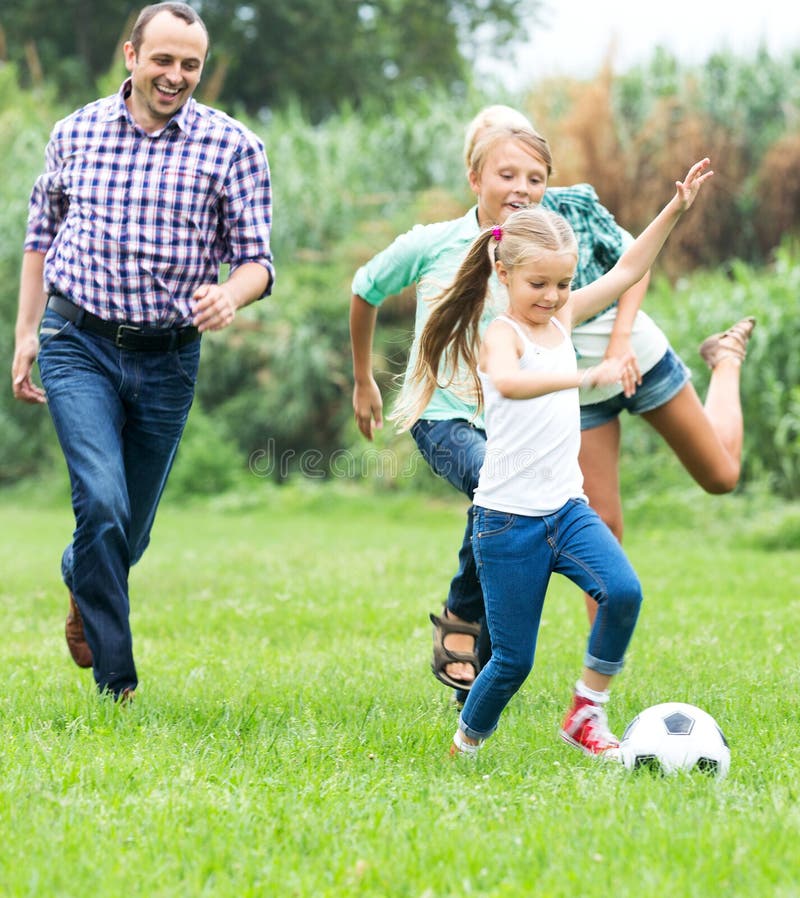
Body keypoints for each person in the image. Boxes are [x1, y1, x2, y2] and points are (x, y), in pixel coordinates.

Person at [393, 159, 714, 756]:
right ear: (505, 273)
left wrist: (675, 210)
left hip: (566, 509)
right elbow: (509, 385)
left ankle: (585, 714)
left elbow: (627, 270)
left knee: (624, 592)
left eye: (563, 284)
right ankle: (465, 745)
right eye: (538, 284)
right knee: (513, 661)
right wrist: (586, 373)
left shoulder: (563, 317)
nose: (553, 296)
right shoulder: (501, 334)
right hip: (508, 522)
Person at [10, 1, 274, 700]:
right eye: (163, 59)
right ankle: (117, 683)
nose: (175, 75)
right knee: (101, 500)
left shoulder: (234, 147)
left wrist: (232, 296)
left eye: (190, 64)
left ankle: (82, 580)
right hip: (77, 341)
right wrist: (25, 332)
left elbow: (256, 261)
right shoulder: (76, 133)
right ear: (132, 55)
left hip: (168, 357)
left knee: (127, 529)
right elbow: (42, 236)